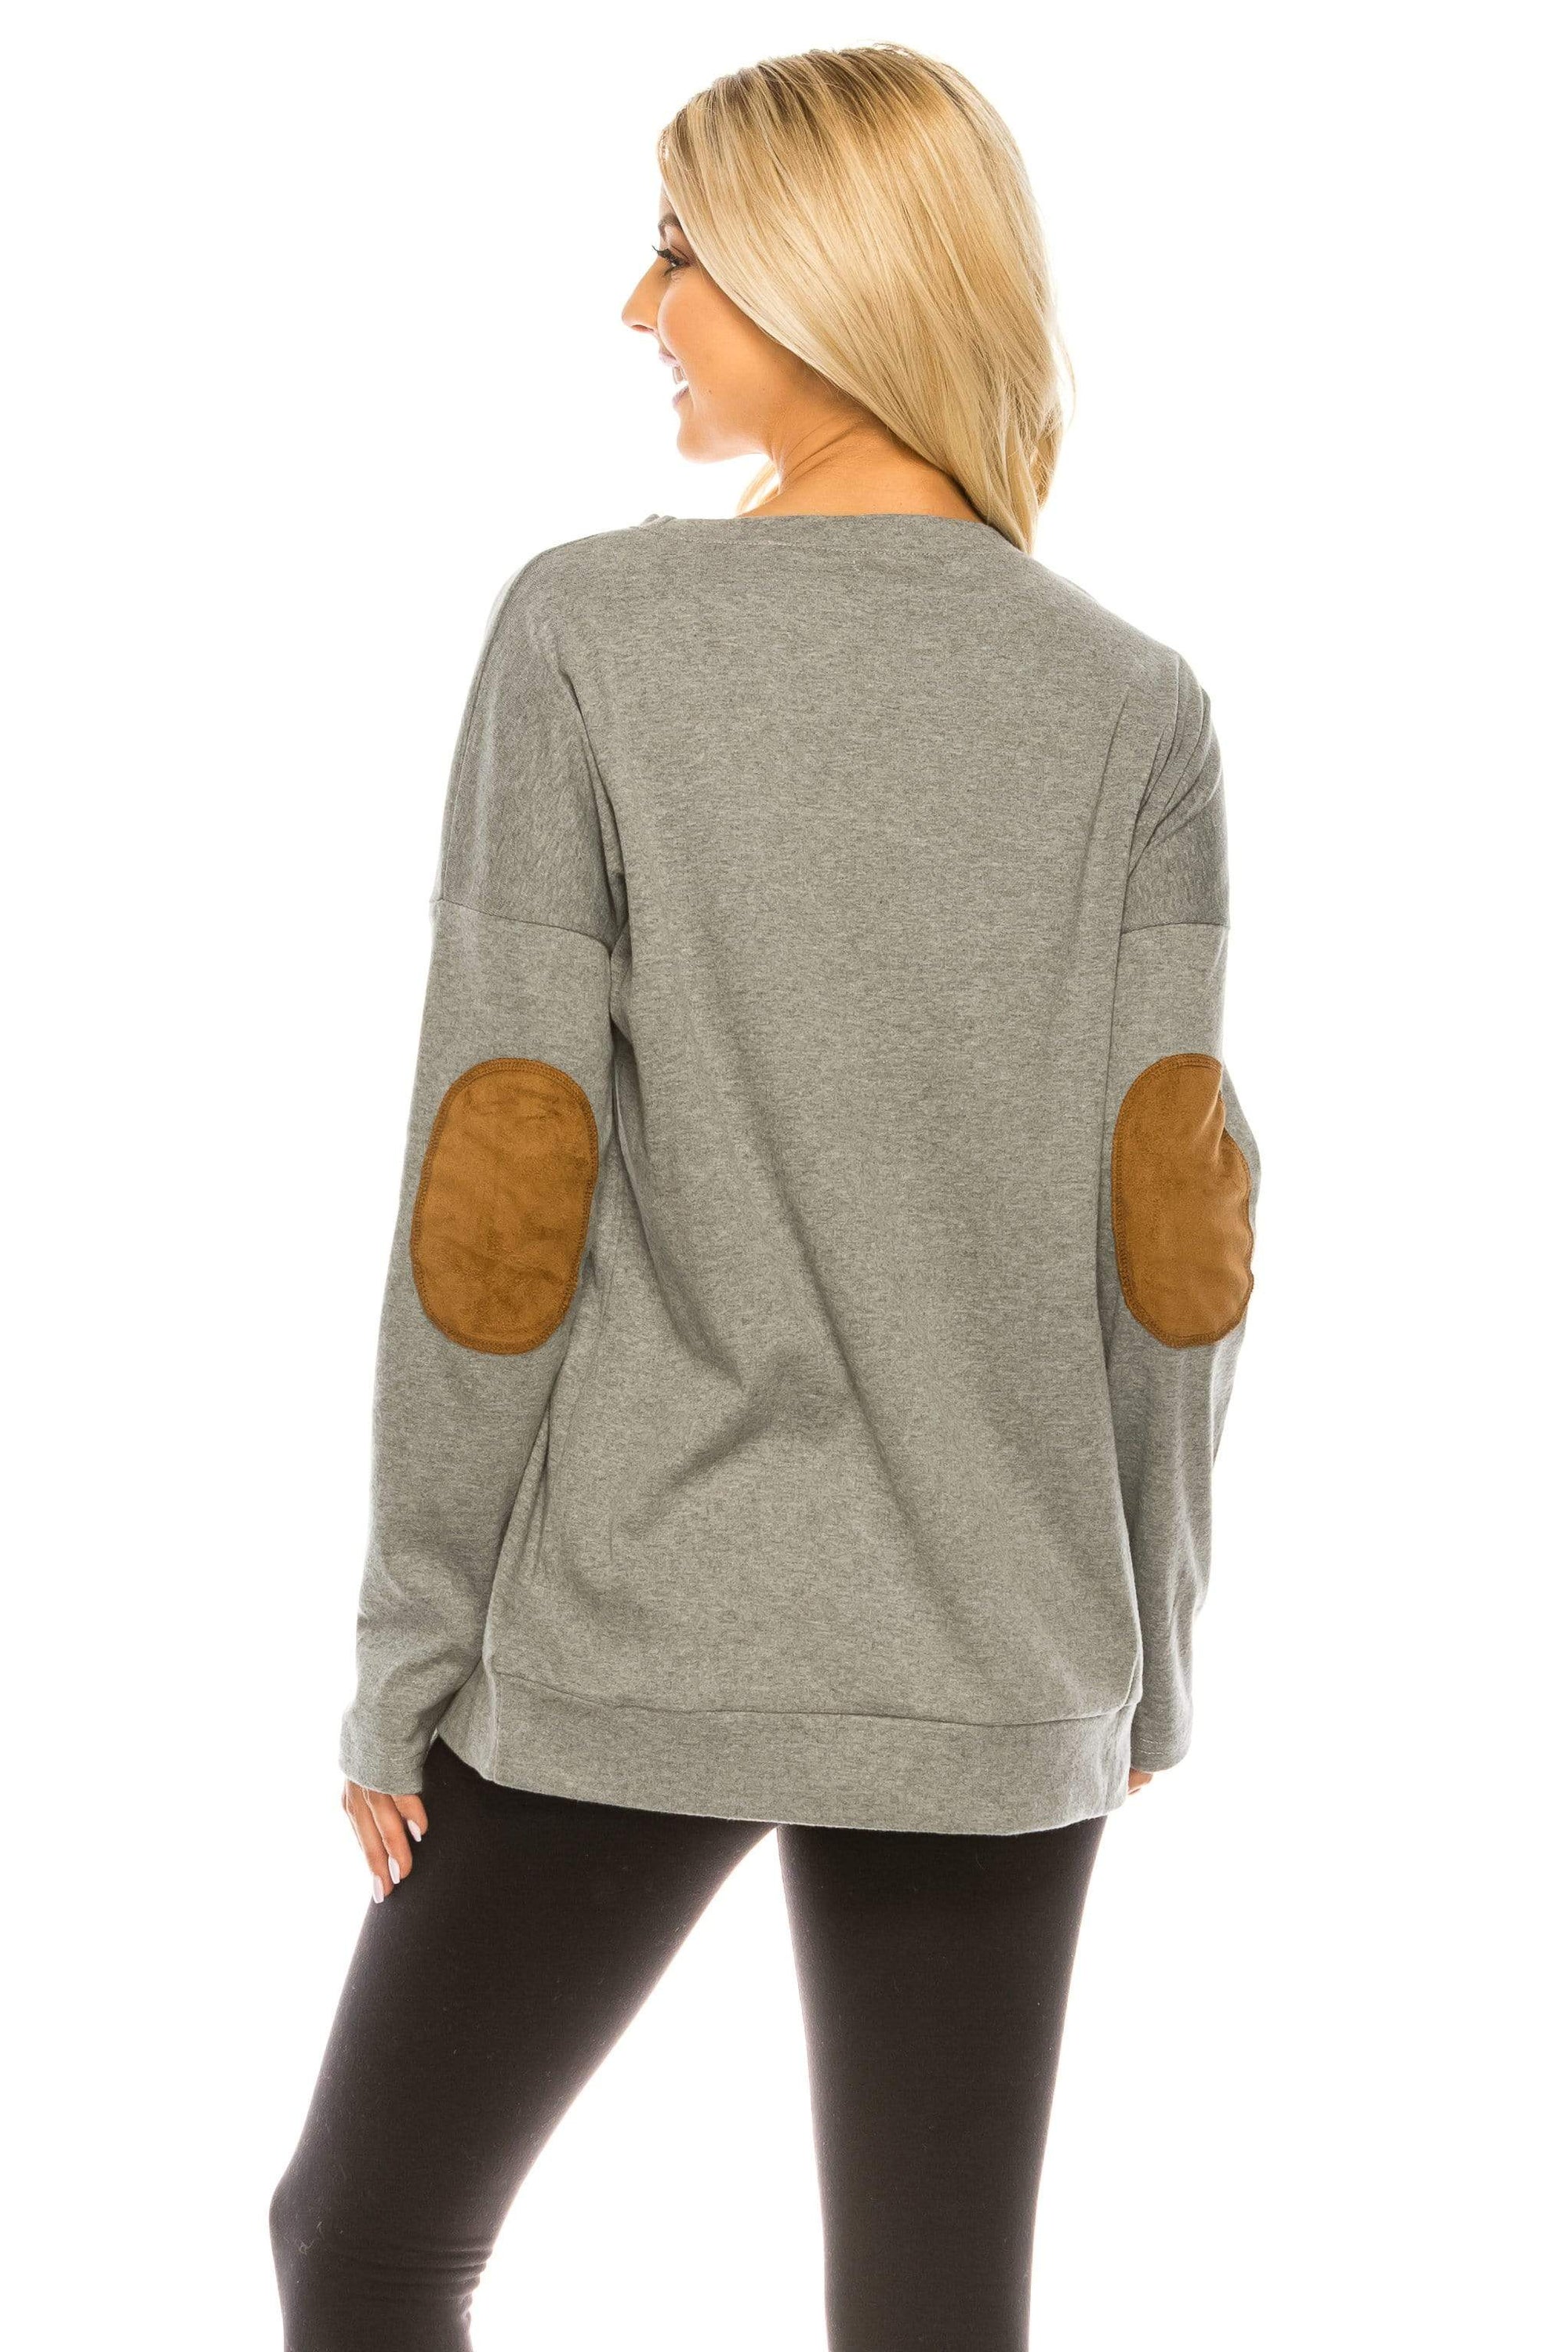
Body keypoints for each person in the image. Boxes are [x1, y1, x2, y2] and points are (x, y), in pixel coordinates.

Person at [270, 41, 1260, 2352]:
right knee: (934, 2313)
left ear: (837, 271)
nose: (640, 310)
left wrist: (411, 1645)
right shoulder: (1135, 702)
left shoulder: (591, 633)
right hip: (1004, 1640)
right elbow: (1176, 1233)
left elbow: (502, 1178)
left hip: (644, 1627)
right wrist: (1150, 1636)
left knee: (367, 2238)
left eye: (680, 254)